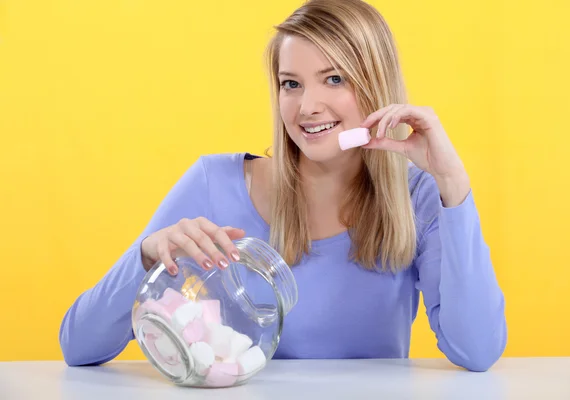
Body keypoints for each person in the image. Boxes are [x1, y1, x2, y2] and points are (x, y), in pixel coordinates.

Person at [59, 0, 507, 372]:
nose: (308, 106)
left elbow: (476, 351)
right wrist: (145, 256)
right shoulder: (214, 183)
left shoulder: (419, 197)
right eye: (290, 84)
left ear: (376, 83)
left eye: (334, 79)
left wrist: (452, 184)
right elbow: (79, 346)